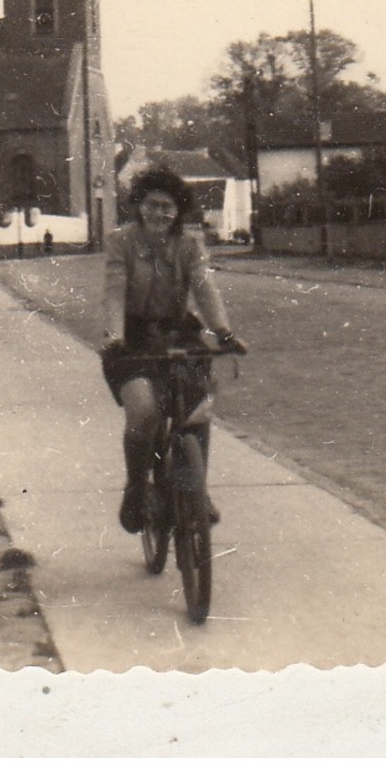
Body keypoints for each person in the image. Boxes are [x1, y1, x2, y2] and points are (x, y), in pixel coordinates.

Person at [100, 167, 246, 533]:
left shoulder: (190, 245)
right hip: (131, 339)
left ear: (179, 212)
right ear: (139, 206)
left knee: (198, 409)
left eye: (168, 207)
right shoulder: (121, 242)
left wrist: (224, 333)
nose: (160, 214)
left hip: (178, 333)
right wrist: (115, 337)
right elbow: (115, 291)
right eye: (153, 205)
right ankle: (135, 490)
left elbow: (204, 288)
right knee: (145, 412)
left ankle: (196, 491)